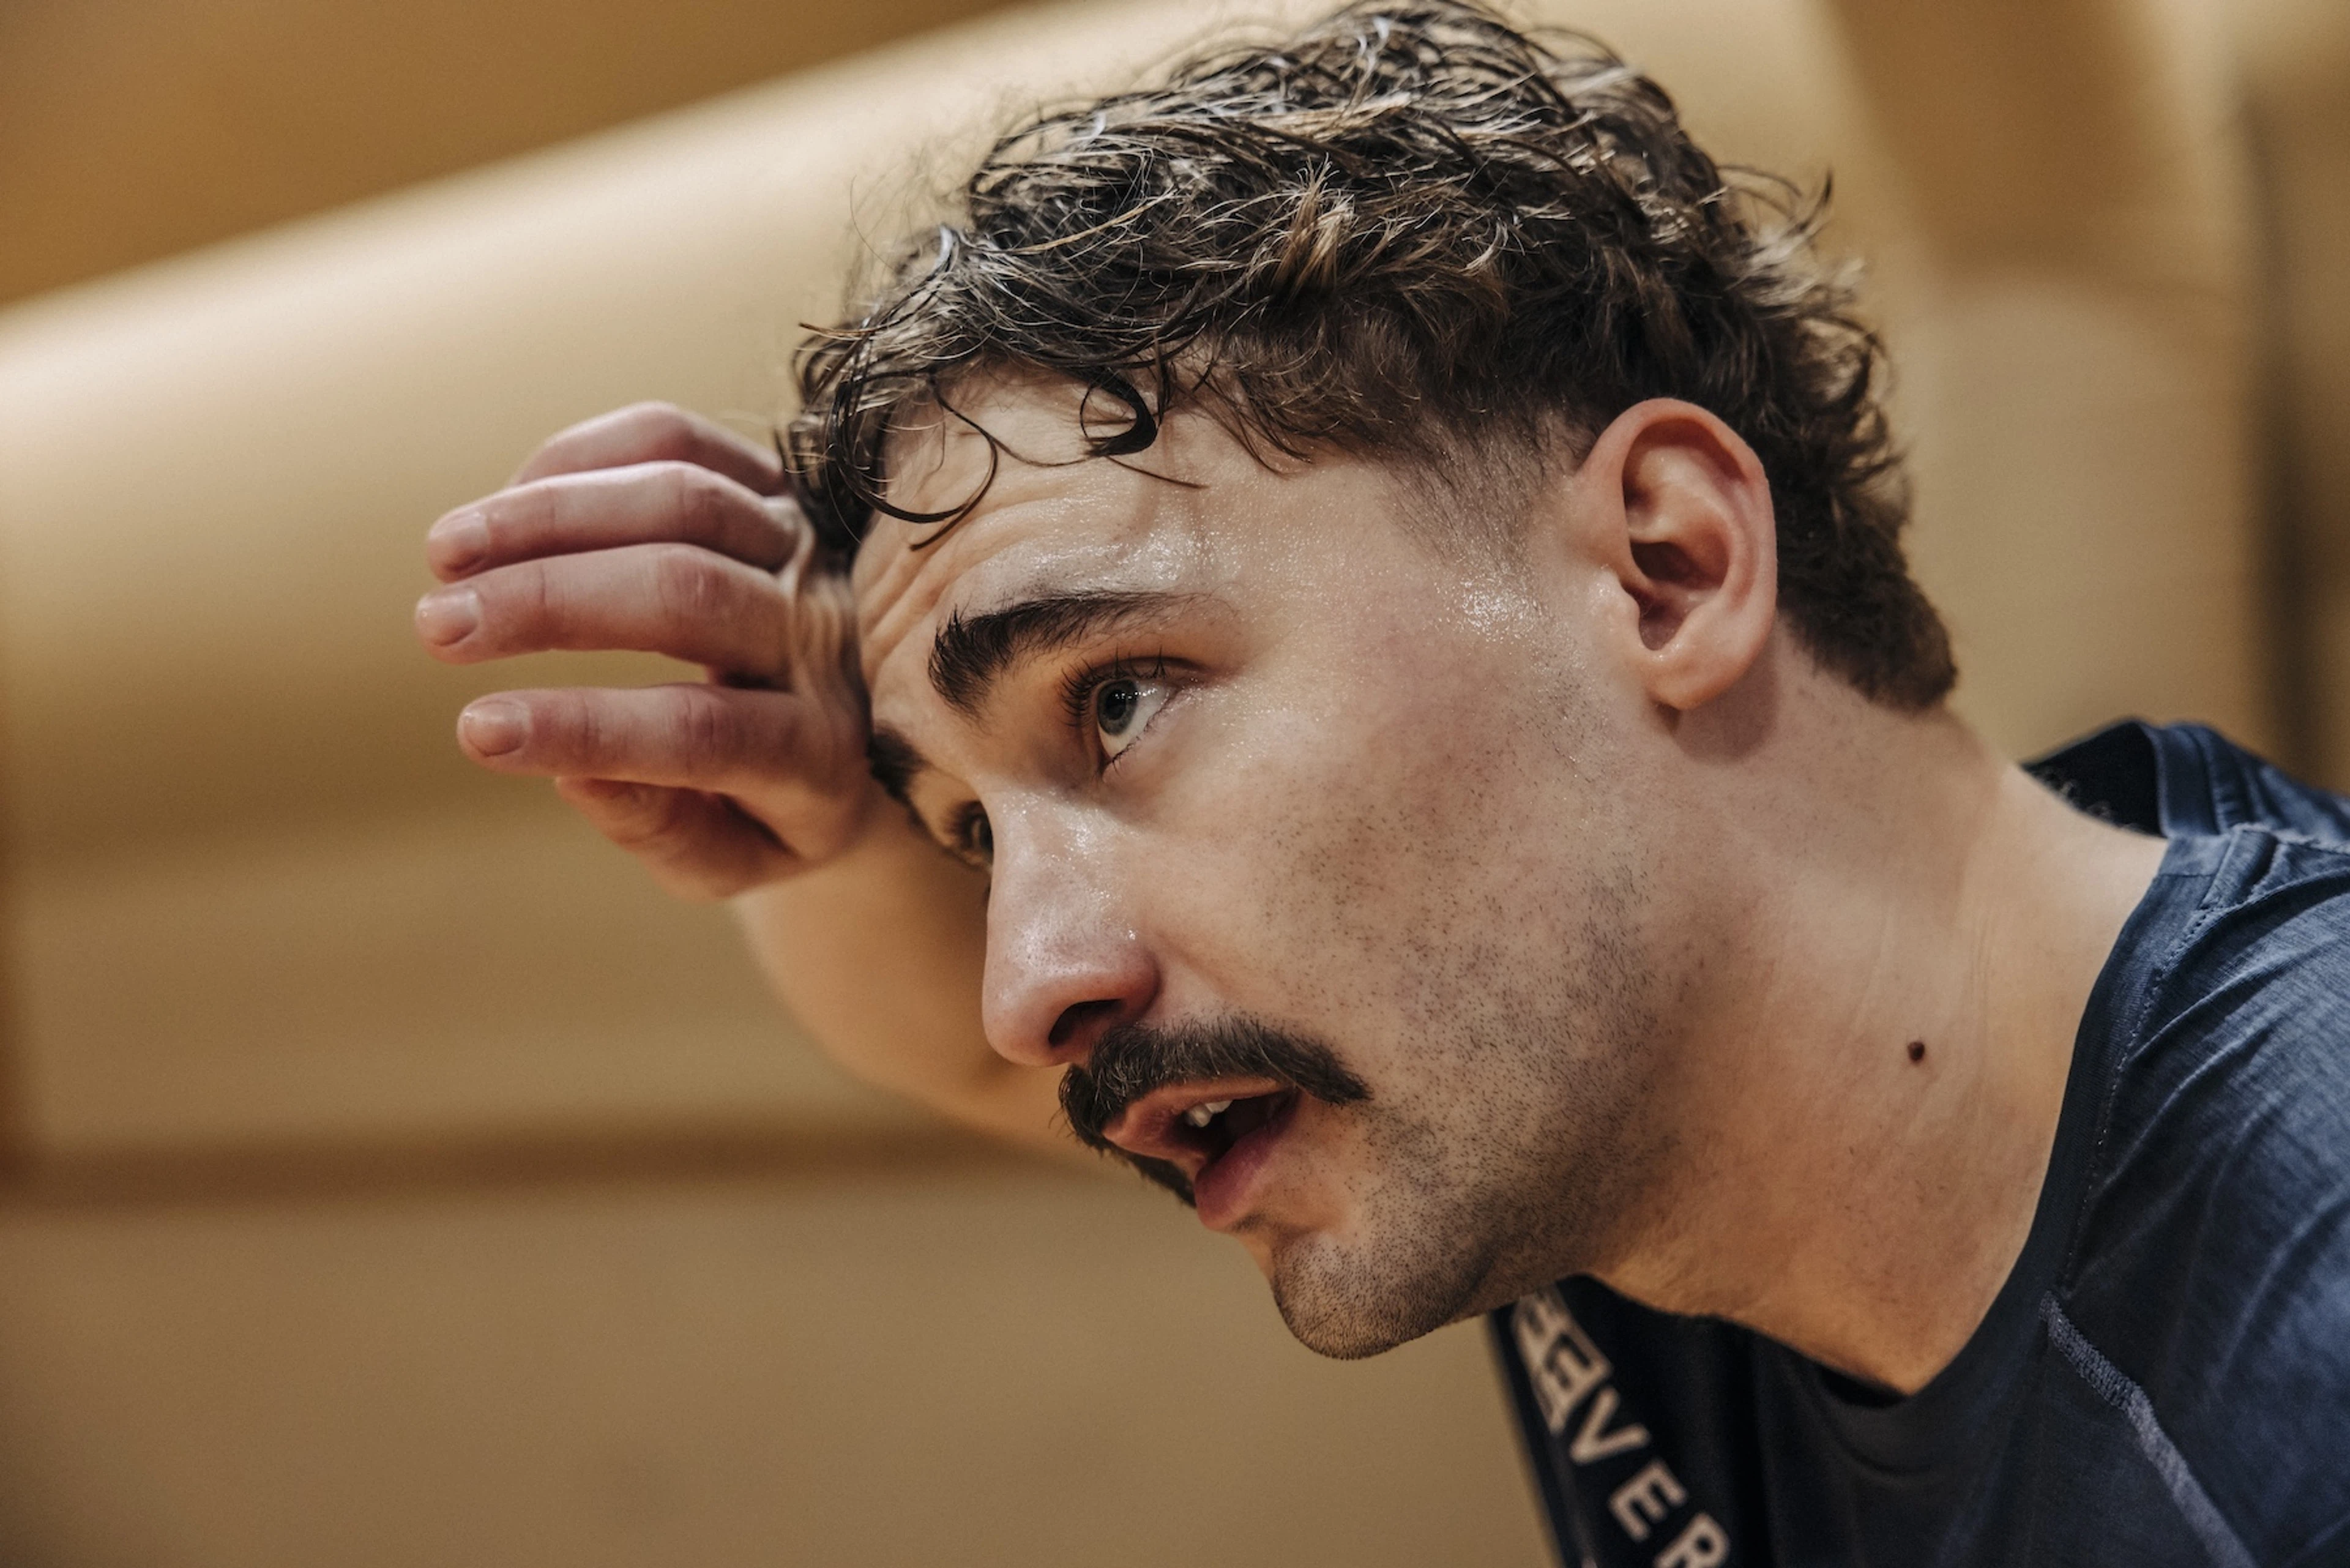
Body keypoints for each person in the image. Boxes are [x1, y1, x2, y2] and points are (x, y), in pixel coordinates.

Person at [411, 3, 2350, 1561]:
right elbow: (948, 1040)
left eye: (1120, 700)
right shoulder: (1607, 1056)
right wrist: (833, 817)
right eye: (976, 835)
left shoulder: (2298, 1350)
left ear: (1666, 567)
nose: (1028, 987)